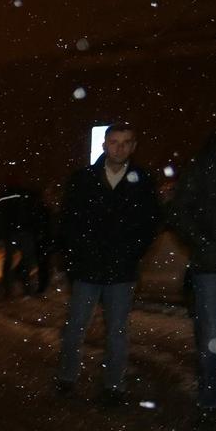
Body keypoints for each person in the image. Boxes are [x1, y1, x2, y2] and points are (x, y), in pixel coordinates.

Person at [53, 124, 160, 403]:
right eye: (114, 142)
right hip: (87, 268)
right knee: (76, 327)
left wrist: (132, 252)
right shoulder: (83, 179)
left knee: (117, 331)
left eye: (125, 142)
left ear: (133, 146)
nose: (119, 148)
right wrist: (74, 258)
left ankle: (114, 385)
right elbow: (68, 221)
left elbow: (150, 223)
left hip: (121, 269)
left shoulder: (143, 181)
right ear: (104, 145)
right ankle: (67, 378)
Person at [168, 97, 216, 427]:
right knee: (212, 335)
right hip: (213, 268)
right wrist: (205, 244)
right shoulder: (206, 165)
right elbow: (179, 211)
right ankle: (211, 402)